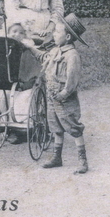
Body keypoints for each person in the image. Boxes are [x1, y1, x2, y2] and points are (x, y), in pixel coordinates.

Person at [18, 13, 91, 174]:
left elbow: (72, 81)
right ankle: (57, 157)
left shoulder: (72, 56)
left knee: (73, 127)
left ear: (67, 37)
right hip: (52, 96)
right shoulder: (56, 51)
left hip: (65, 99)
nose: (54, 35)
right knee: (55, 127)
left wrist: (64, 94)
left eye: (57, 33)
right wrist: (30, 47)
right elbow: (44, 57)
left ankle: (82, 161)